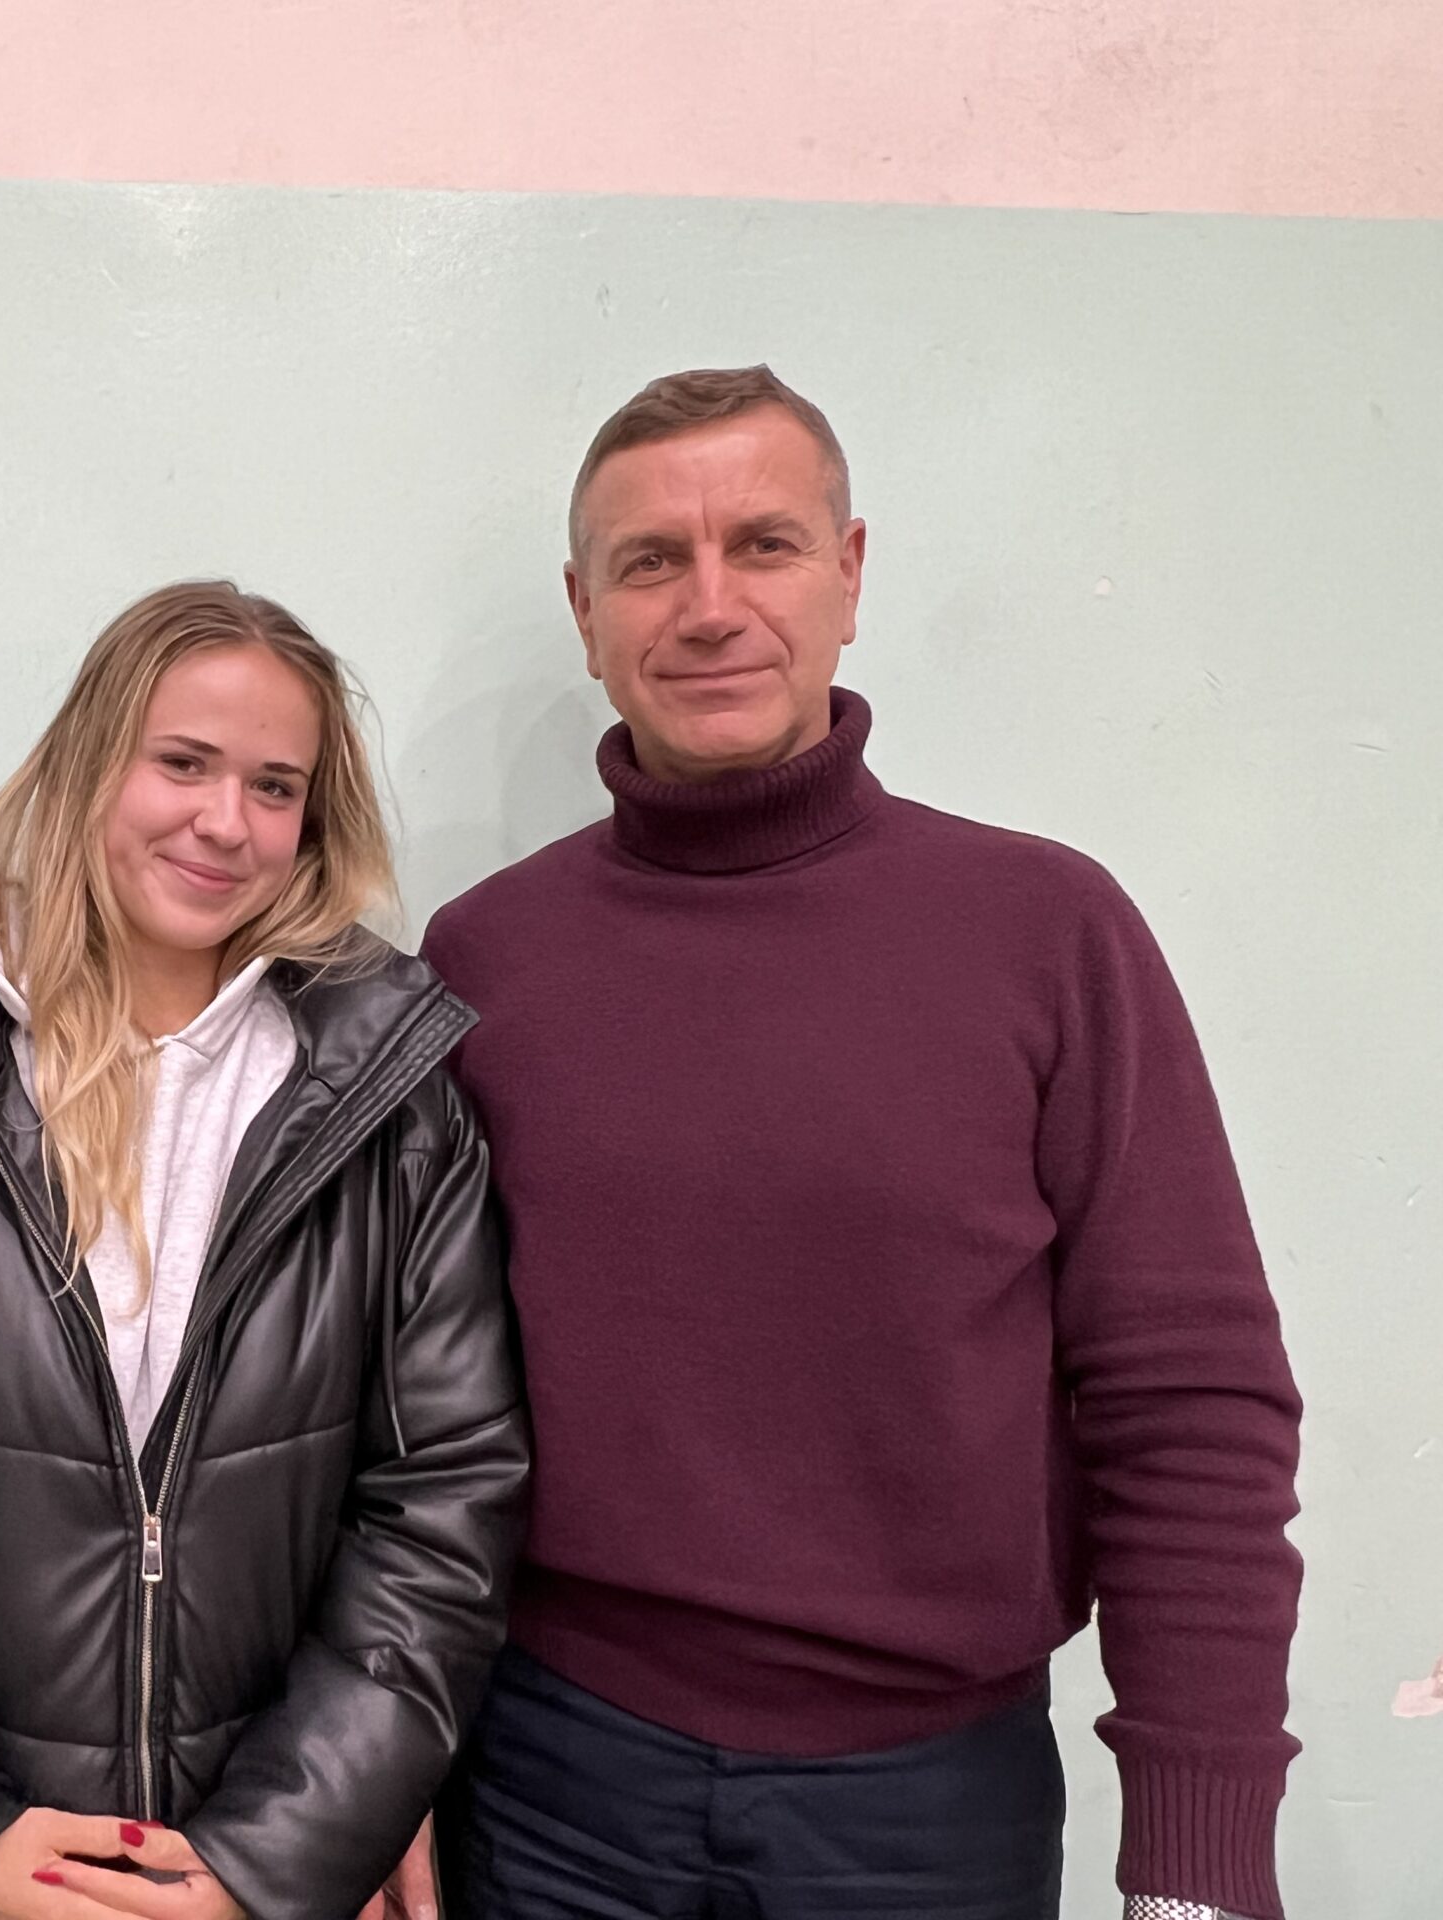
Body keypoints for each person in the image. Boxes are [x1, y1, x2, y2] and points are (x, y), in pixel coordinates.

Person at [421, 366, 1304, 1920]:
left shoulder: (1047, 934)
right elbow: (402, 1413)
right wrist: (386, 1768)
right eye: (651, 561)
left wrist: (1198, 1860)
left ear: (848, 574)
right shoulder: (487, 960)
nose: (709, 607)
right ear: (585, 611)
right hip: (550, 1781)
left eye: (763, 545)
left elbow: (1191, 1404)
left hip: (927, 1813)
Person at [0, 581, 530, 1920]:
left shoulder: (395, 1113)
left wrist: (269, 1860)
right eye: (182, 763)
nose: (226, 822)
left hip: (251, 1888)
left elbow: (441, 1513)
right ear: (91, 765)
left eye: (274, 786)